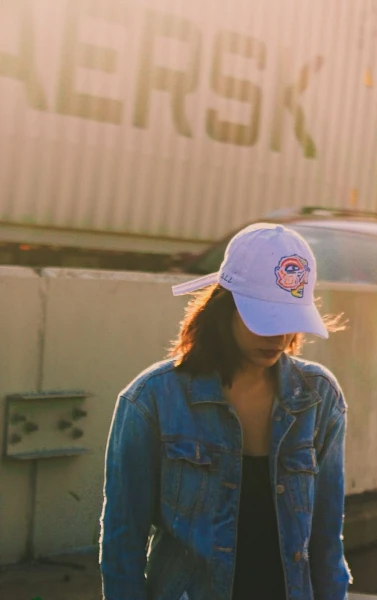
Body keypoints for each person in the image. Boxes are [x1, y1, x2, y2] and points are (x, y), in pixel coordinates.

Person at [100, 223, 351, 600]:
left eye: (288, 320)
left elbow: (327, 541)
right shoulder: (151, 399)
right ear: (225, 307)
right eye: (265, 319)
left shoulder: (319, 398)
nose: (278, 337)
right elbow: (123, 539)